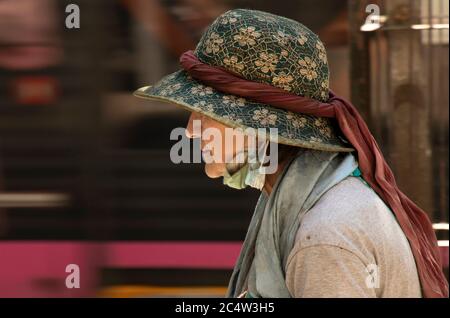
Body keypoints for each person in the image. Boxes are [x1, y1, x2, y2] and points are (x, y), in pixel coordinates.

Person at [134, 9, 448, 298]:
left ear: (260, 128)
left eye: (205, 113)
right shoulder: (314, 206)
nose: (190, 130)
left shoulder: (325, 236)